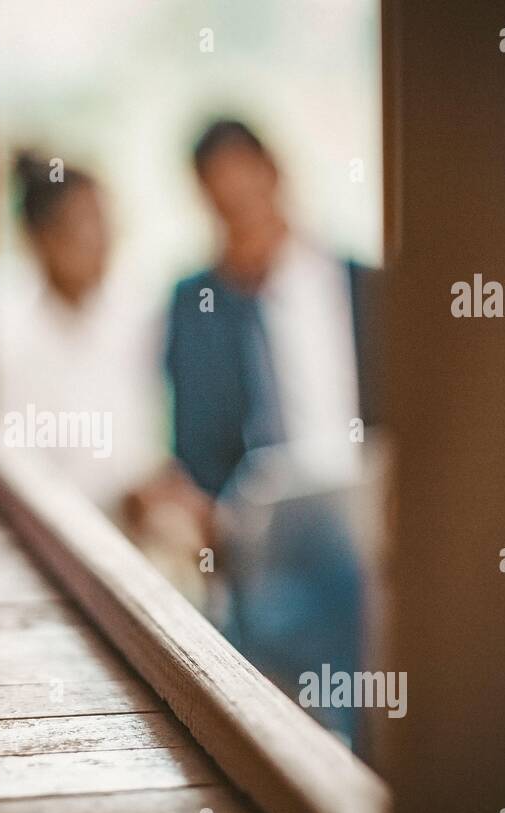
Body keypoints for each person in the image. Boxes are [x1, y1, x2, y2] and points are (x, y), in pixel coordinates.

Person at [162, 119, 377, 742]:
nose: (241, 227)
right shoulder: (195, 303)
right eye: (222, 210)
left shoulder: (361, 285)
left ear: (276, 178)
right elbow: (193, 452)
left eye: (247, 201)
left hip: (361, 518)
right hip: (252, 533)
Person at [0, 154, 167, 522]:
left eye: (106, 222)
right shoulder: (0, 317)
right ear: (42, 237)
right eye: (87, 223)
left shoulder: (134, 310)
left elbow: (137, 435)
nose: (102, 239)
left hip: (124, 529)